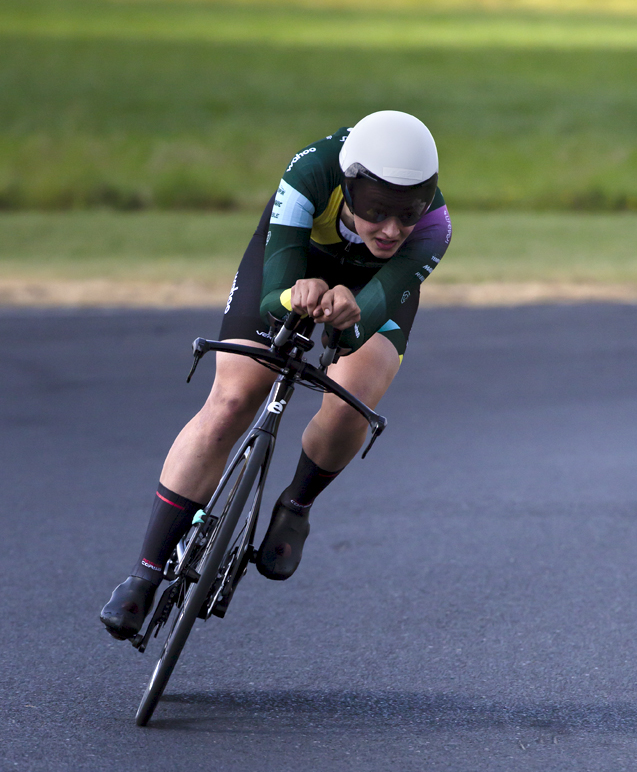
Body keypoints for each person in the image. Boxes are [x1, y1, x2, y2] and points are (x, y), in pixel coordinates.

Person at [101, 110, 452, 640]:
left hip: (372, 288)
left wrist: (346, 319)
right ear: (349, 186)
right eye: (377, 213)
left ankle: (297, 503)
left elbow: (369, 315)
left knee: (353, 399)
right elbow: (271, 298)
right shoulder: (310, 173)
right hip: (298, 265)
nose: (392, 230)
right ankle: (144, 573)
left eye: (407, 215)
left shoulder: (434, 227)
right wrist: (294, 296)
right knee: (234, 397)